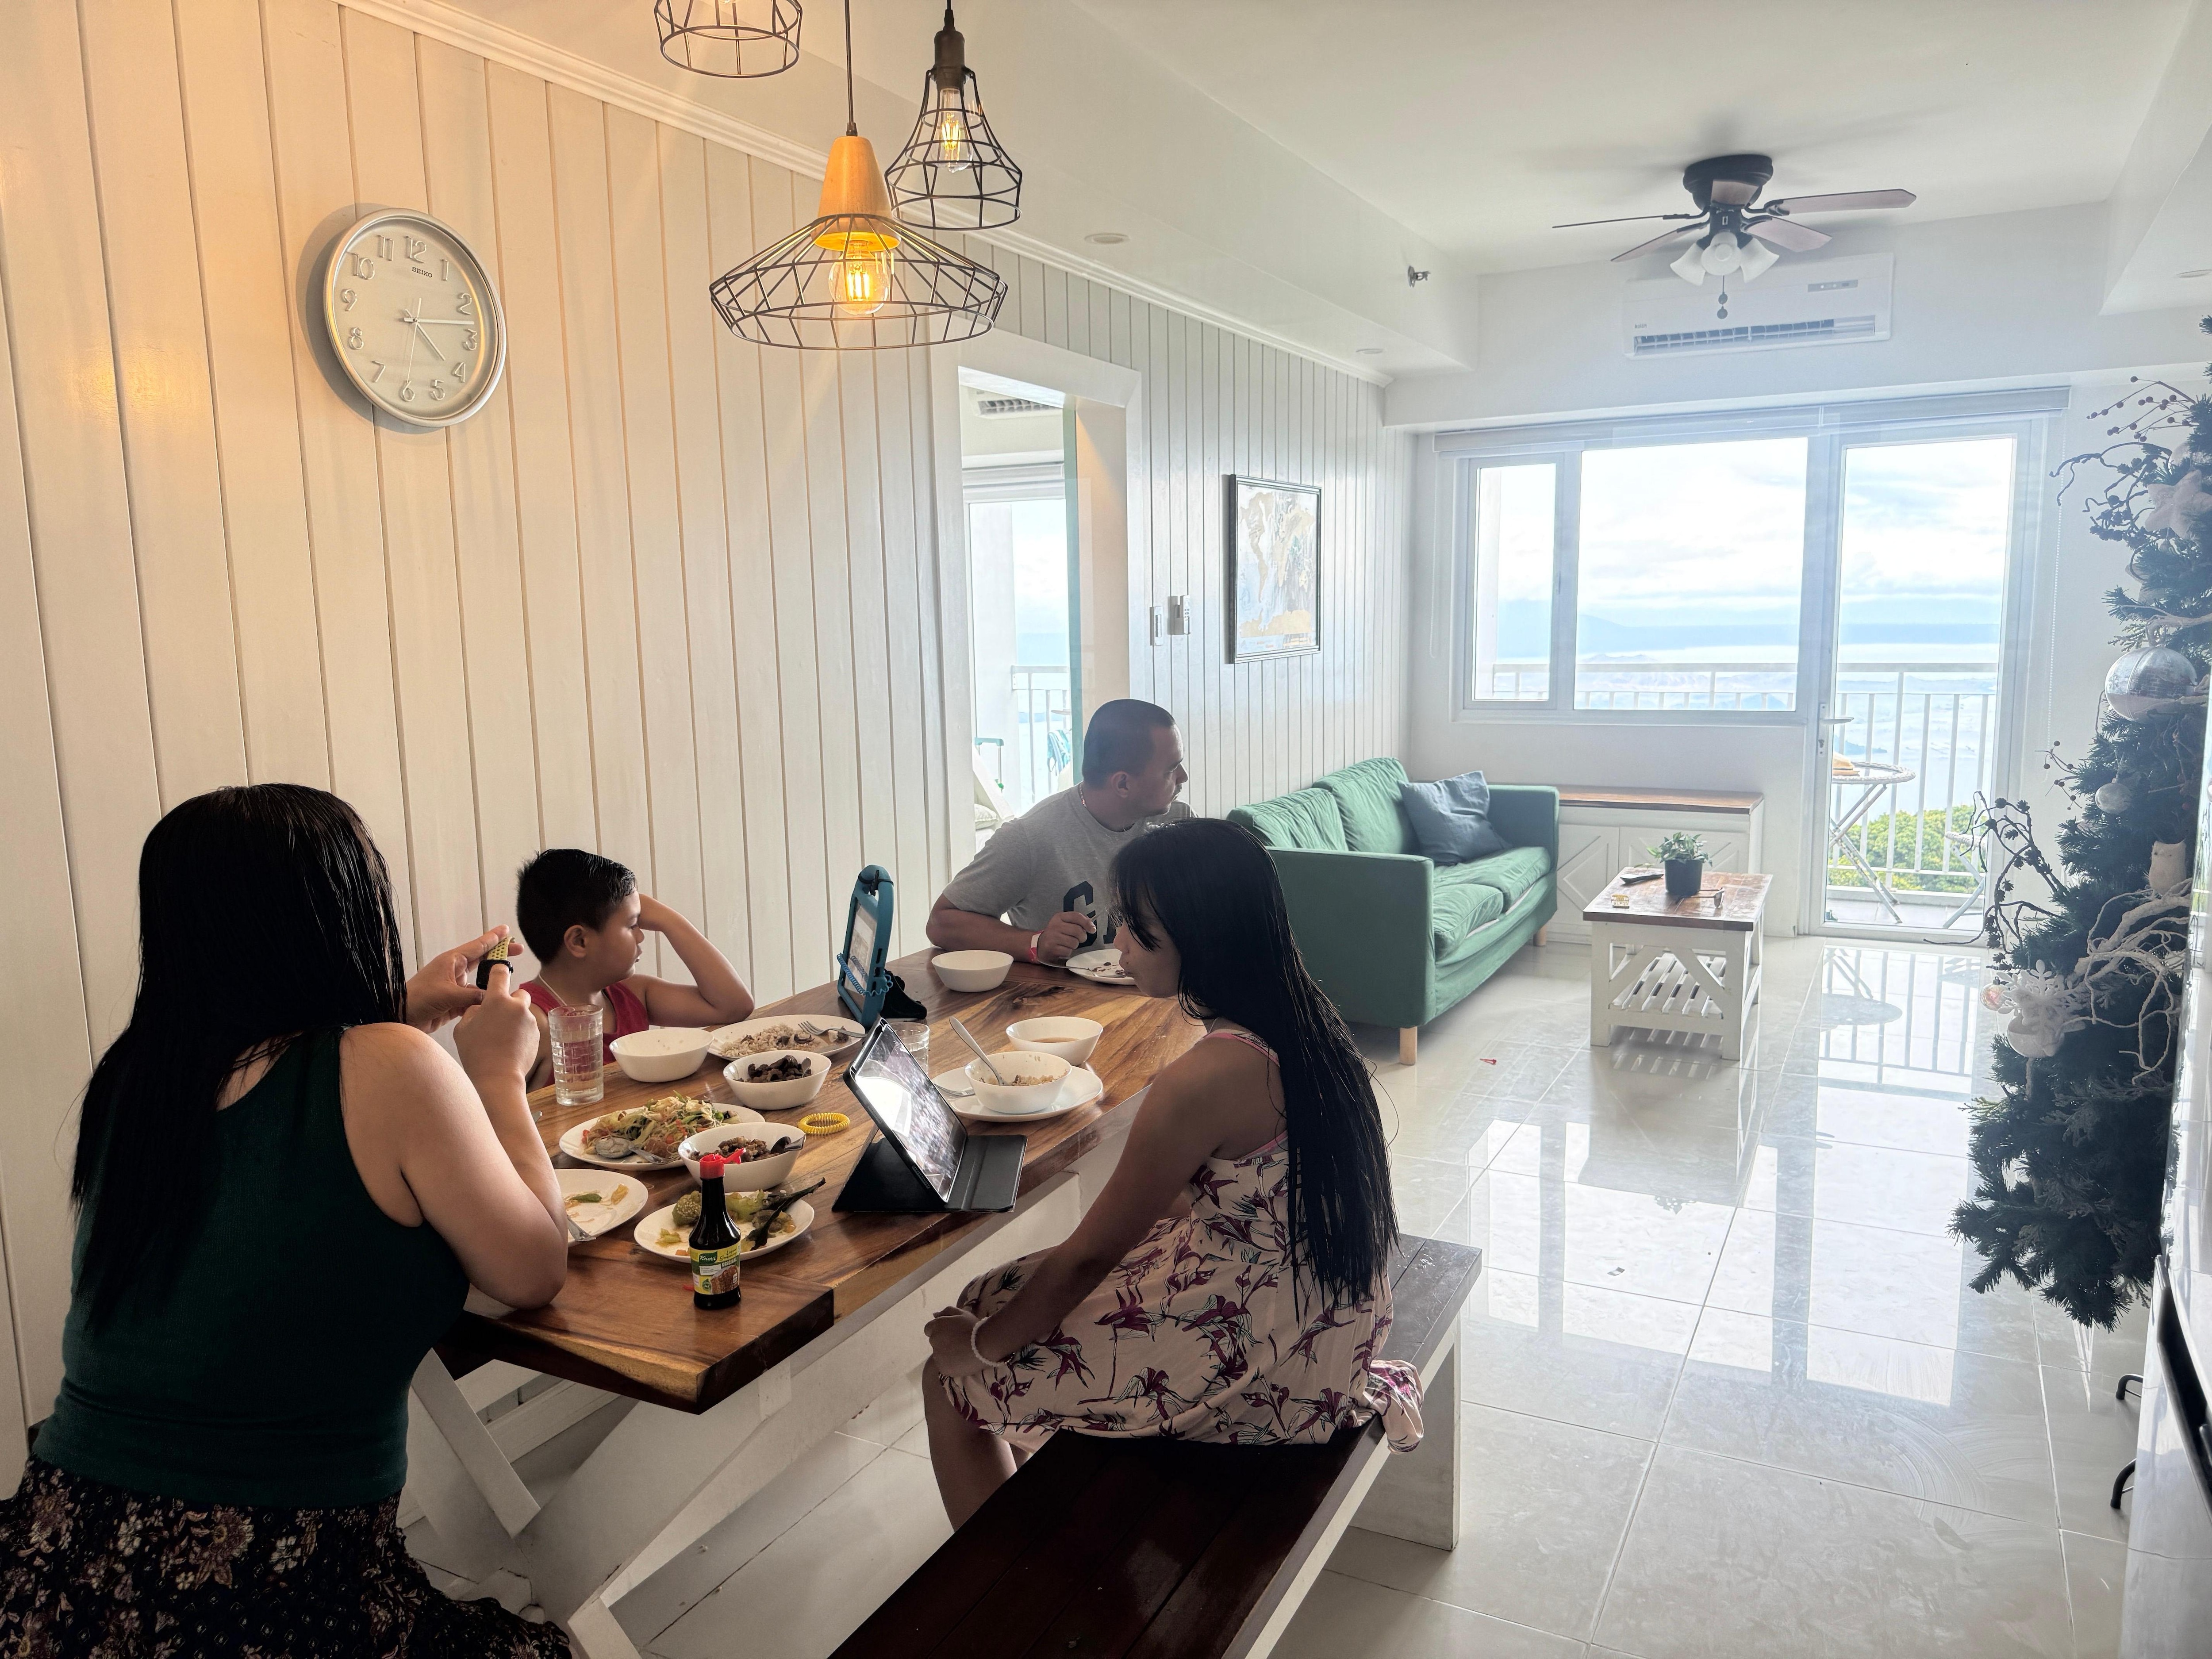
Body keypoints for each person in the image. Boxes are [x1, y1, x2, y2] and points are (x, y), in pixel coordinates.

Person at [2, 783, 571, 1656]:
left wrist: (395, 1015)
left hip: (55, 1573)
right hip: (269, 1606)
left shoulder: (136, 1082)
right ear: (344, 909)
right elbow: (534, 1267)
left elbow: (292, 1181)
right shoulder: (392, 1070)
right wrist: (496, 1074)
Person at [919, 818, 1422, 1527]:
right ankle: (1051, 1506)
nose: (1117, 942)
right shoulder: (1304, 1018)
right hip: (1328, 1306)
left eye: (1131, 925)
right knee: (990, 1290)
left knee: (950, 1373)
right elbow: (1236, 1194)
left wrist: (975, 1349)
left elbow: (1092, 1254)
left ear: (1196, 933)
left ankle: (1000, 1591)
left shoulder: (1205, 1077)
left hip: (1271, 1356)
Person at [928, 698, 1190, 966]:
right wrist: (1034, 943)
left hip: (1162, 997)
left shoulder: (1179, 821)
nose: (1183, 776)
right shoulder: (1030, 838)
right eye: (1171, 769)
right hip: (1066, 1000)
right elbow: (942, 923)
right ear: (1122, 783)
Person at [514, 849, 754, 1088]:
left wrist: (669, 921)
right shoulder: (529, 1021)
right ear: (580, 941)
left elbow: (733, 1007)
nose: (641, 936)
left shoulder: (632, 995)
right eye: (632, 925)